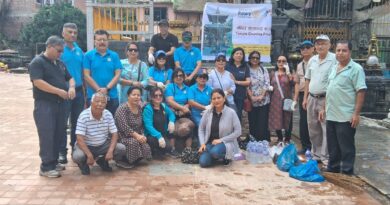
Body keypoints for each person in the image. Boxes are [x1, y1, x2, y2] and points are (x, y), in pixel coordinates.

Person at [29, 35, 75, 178]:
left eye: (62, 51)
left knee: (58, 133)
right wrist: (58, 91)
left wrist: (71, 87)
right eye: (58, 50)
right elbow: (37, 82)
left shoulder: (59, 63)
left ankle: (54, 162)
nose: (60, 53)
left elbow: (70, 77)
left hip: (60, 105)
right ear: (49, 47)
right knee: (47, 134)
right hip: (45, 105)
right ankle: (46, 166)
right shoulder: (37, 62)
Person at [321, 41, 366, 175]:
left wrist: (356, 114)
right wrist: (324, 108)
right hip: (331, 114)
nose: (340, 53)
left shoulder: (356, 69)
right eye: (338, 50)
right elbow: (329, 90)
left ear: (350, 52)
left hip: (345, 116)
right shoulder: (334, 67)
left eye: (344, 50)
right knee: (333, 146)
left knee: (346, 147)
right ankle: (333, 169)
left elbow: (361, 91)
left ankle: (347, 173)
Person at [72, 93, 127, 175]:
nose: (100, 104)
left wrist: (110, 151)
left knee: (121, 148)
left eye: (103, 102)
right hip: (87, 145)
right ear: (91, 102)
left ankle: (102, 161)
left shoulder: (107, 114)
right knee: (78, 156)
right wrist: (89, 155)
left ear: (106, 104)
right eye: (97, 101)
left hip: (102, 144)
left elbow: (115, 134)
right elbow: (79, 138)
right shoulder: (83, 115)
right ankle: (83, 165)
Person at [303, 34, 337, 165]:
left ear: (329, 45)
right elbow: (307, 79)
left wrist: (325, 106)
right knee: (313, 127)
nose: (320, 46)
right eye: (318, 44)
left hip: (325, 98)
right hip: (312, 97)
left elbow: (332, 83)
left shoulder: (334, 59)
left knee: (325, 128)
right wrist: (305, 98)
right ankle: (316, 153)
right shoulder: (312, 60)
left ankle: (325, 156)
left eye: (323, 43)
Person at [58, 22, 85, 164]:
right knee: (62, 123)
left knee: (77, 123)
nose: (73, 35)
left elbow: (82, 73)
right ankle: (62, 152)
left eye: (75, 32)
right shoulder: (59, 50)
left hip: (79, 92)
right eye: (69, 32)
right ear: (63, 33)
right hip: (64, 92)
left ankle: (76, 148)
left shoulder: (79, 50)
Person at [198, 89, 241, 168]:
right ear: (211, 100)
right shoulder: (208, 112)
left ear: (224, 99)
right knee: (203, 163)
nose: (216, 100)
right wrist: (202, 143)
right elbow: (201, 129)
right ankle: (214, 156)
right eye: (214, 99)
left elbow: (238, 132)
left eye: (219, 98)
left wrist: (221, 140)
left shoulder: (231, 112)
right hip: (210, 143)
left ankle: (227, 156)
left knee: (215, 152)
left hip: (226, 142)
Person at [83, 29, 122, 115]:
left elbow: (118, 74)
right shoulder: (88, 56)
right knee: (94, 123)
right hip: (93, 96)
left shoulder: (114, 56)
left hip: (112, 96)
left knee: (111, 122)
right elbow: (86, 75)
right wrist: (98, 90)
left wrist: (107, 88)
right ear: (94, 41)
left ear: (108, 41)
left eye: (104, 40)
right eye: (99, 40)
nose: (102, 42)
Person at [115, 87, 152, 168]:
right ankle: (121, 160)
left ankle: (134, 160)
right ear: (128, 96)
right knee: (133, 142)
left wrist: (142, 135)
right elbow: (124, 127)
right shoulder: (122, 108)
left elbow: (141, 125)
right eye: (134, 95)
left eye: (138, 95)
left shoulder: (139, 108)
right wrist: (137, 136)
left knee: (144, 144)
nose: (136, 97)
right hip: (122, 136)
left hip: (136, 134)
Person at [165, 68, 194, 157]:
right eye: (176, 75)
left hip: (185, 111)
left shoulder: (188, 88)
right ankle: (172, 149)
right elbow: (170, 101)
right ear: (173, 77)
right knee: (172, 127)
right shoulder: (170, 87)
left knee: (190, 126)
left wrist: (185, 108)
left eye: (181, 75)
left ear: (184, 77)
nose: (179, 77)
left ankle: (188, 149)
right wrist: (181, 108)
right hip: (172, 111)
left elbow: (190, 101)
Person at [143, 87, 176, 159]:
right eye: (155, 95)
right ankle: (153, 151)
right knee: (152, 141)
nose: (158, 97)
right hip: (152, 135)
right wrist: (159, 136)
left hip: (162, 134)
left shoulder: (163, 106)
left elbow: (171, 114)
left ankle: (161, 151)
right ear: (151, 97)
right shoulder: (148, 109)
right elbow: (148, 126)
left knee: (168, 147)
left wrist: (171, 121)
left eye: (160, 95)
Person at [293, 40, 314, 154]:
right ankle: (305, 146)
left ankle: (315, 147)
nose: (305, 50)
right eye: (302, 48)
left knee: (314, 121)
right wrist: (295, 99)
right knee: (303, 122)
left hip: (314, 94)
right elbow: (297, 82)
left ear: (312, 49)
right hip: (302, 95)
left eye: (307, 47)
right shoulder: (299, 65)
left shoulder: (316, 62)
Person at [268, 55, 295, 143]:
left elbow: (293, 84)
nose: (281, 63)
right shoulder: (272, 73)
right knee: (276, 119)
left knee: (288, 119)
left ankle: (287, 139)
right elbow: (268, 84)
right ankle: (279, 138)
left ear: (286, 63)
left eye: (283, 61)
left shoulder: (290, 72)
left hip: (287, 99)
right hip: (275, 101)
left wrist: (288, 73)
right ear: (276, 62)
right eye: (279, 61)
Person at [247, 51, 271, 141]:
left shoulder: (263, 69)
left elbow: (267, 83)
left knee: (263, 122)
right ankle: (253, 141)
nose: (255, 59)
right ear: (249, 59)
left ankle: (263, 141)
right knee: (252, 121)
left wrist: (261, 96)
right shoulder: (247, 69)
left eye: (257, 58)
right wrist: (252, 97)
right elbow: (246, 85)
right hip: (252, 101)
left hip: (264, 100)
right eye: (253, 57)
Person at [226, 47, 250, 122]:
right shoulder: (227, 66)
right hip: (228, 94)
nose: (239, 55)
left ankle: (237, 132)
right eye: (237, 53)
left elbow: (248, 82)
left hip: (240, 95)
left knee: (238, 114)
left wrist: (236, 82)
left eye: (241, 54)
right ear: (233, 55)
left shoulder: (245, 66)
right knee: (227, 114)